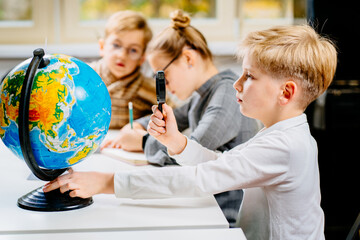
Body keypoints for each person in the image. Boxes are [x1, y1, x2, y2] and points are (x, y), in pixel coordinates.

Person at [43, 24, 337, 239]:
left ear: (285, 92)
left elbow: (199, 180)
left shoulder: (284, 146)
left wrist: (106, 182)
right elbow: (221, 164)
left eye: (249, 77)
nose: (237, 84)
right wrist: (178, 143)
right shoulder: (283, 134)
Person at [101, 9, 259, 226]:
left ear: (187, 58)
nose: (164, 87)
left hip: (221, 216)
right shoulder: (202, 96)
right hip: (201, 203)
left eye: (163, 77)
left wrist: (141, 141)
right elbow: (171, 118)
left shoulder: (227, 95)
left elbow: (189, 150)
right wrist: (136, 125)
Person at [89, 10, 157, 129]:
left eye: (133, 50)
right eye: (116, 45)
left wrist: (144, 126)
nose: (122, 55)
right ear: (102, 47)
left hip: (124, 145)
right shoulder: (84, 75)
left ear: (142, 58)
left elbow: (176, 114)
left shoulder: (148, 88)